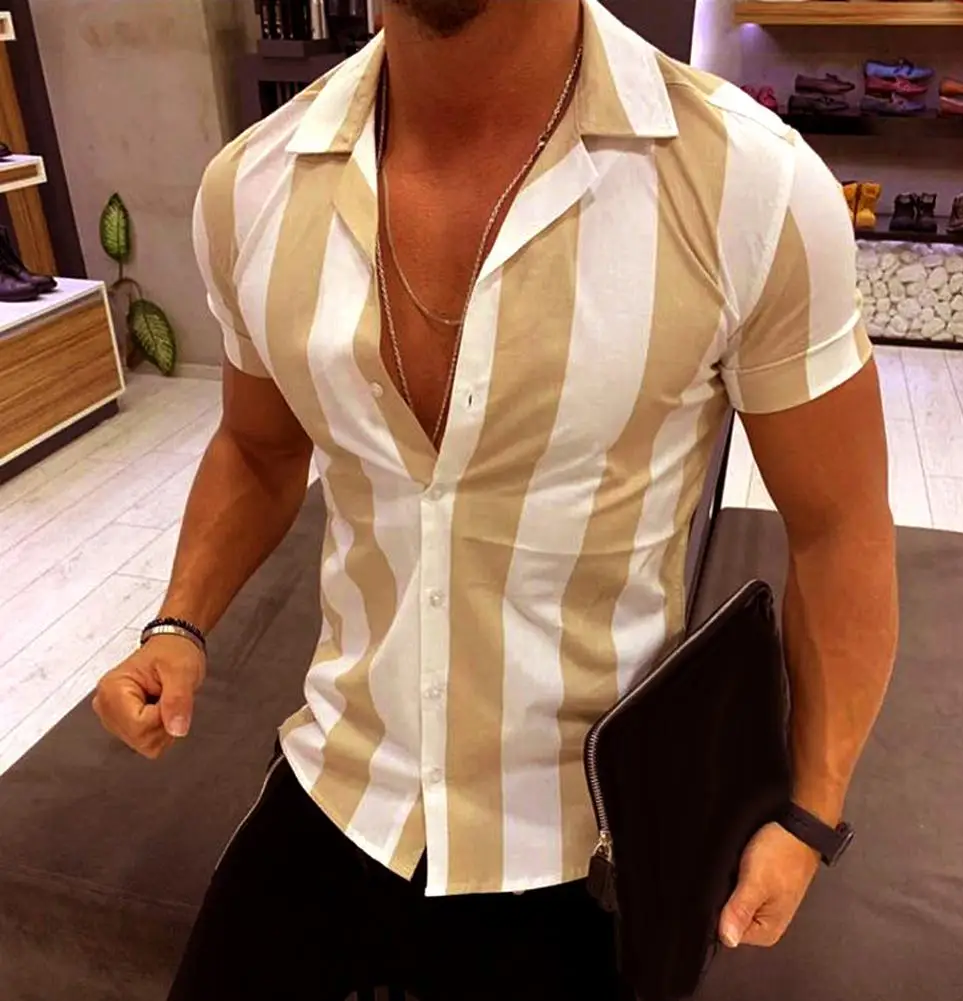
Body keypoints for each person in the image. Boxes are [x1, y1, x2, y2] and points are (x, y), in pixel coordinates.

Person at [92, 0, 899, 998]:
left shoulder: (749, 184)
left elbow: (838, 529)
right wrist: (180, 622)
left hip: (590, 842)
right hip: (341, 783)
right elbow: (258, 448)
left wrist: (810, 815)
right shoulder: (252, 184)